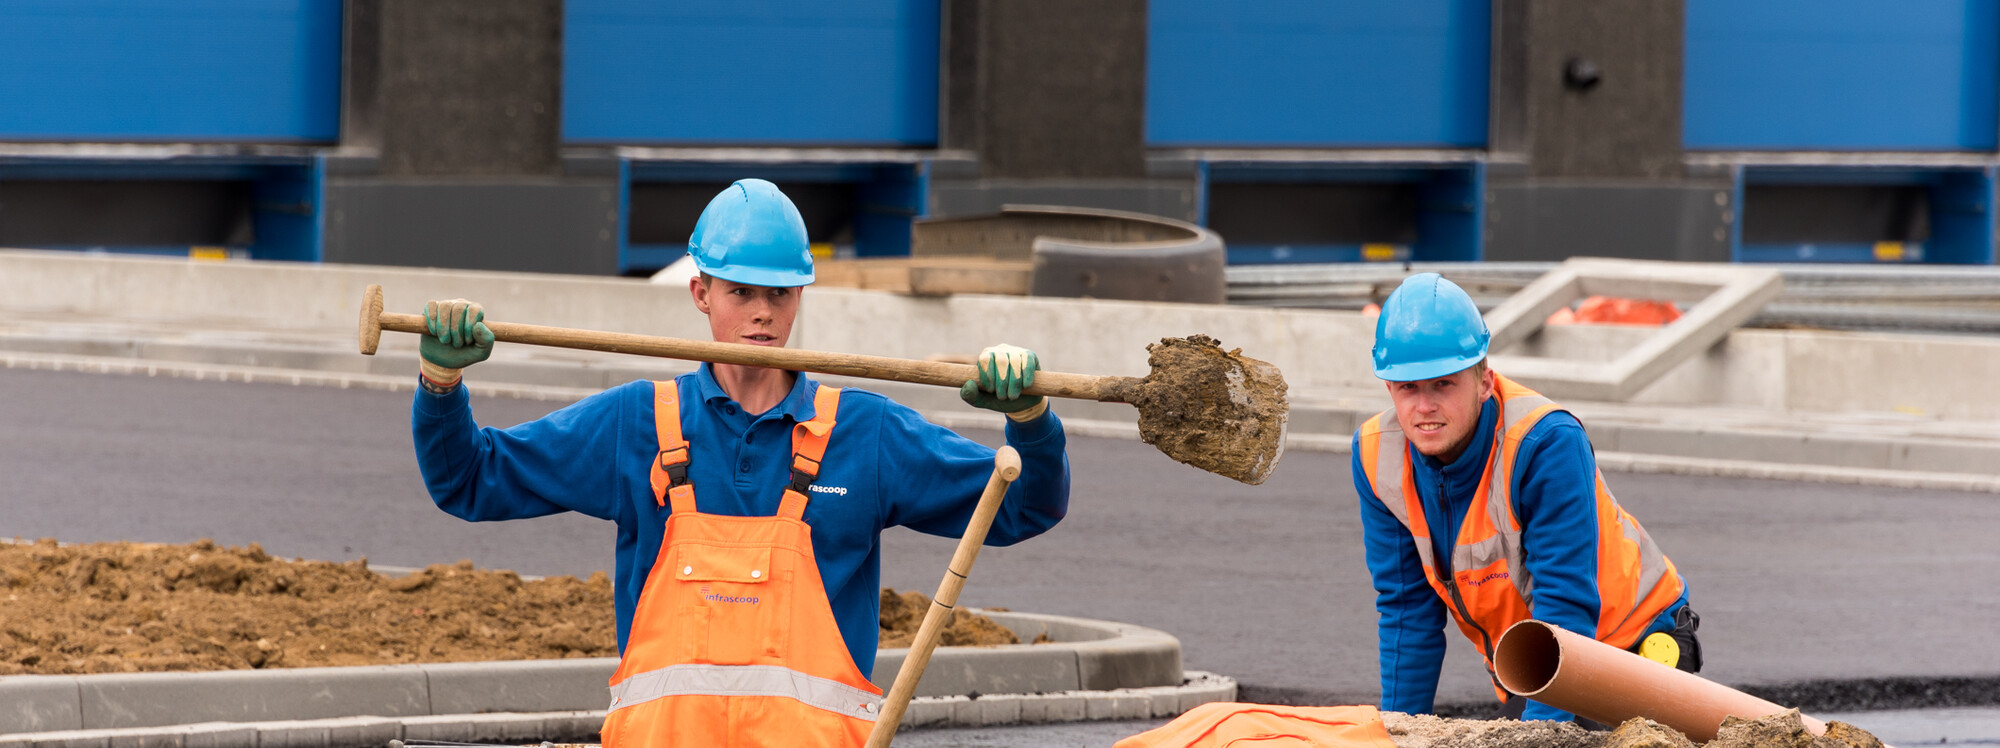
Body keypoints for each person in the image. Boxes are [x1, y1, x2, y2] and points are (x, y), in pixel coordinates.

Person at [411, 179, 1070, 746]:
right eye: (741, 291)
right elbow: (470, 480)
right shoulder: (636, 424)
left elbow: (1022, 507)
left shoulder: (864, 434)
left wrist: (1030, 420)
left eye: (780, 295)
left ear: (801, 296)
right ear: (701, 293)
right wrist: (441, 383)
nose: (761, 312)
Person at [1349, 273, 1700, 724]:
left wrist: (1540, 734)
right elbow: (1406, 611)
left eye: (1443, 385)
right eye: (1409, 388)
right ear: (1389, 389)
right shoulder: (1377, 456)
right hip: (1535, 664)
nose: (1424, 406)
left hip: (1634, 649)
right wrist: (1399, 732)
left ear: (1484, 381)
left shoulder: (1545, 442)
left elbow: (1565, 602)